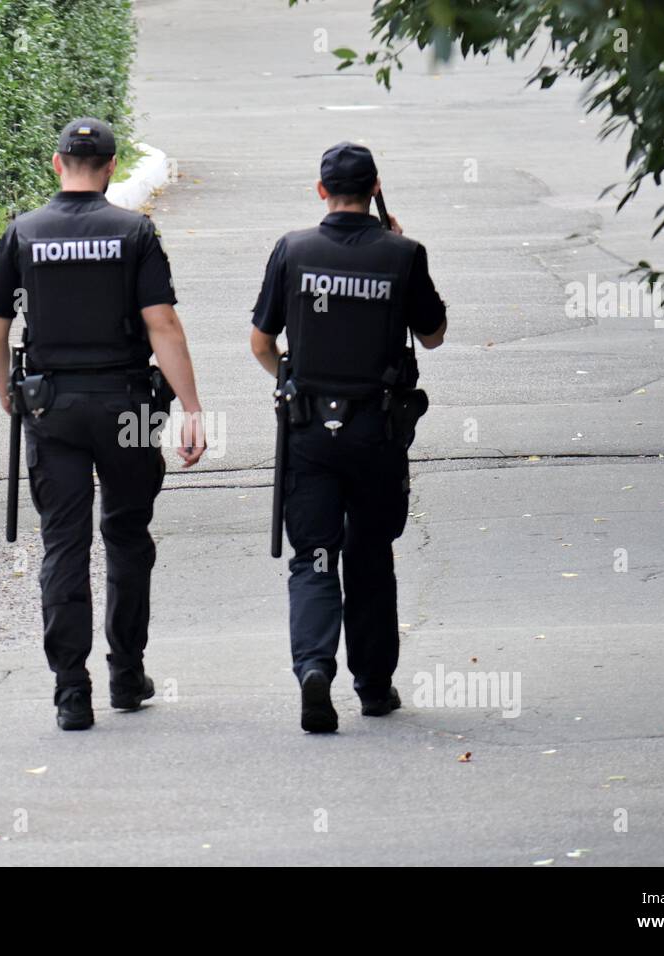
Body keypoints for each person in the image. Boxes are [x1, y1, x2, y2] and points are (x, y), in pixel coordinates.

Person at [0, 117, 206, 731]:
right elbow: (163, 326)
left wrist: (8, 394)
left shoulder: (22, 234)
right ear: (109, 168)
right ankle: (127, 676)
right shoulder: (134, 232)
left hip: (53, 410)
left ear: (57, 164)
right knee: (128, 538)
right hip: (128, 407)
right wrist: (190, 408)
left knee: (64, 544)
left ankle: (71, 692)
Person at [249, 142, 447, 733]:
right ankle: (374, 684)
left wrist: (294, 378)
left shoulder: (292, 250)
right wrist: (399, 248)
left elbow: (261, 344)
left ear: (321, 191)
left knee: (313, 556)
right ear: (375, 188)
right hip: (377, 431)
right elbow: (432, 336)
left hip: (308, 428)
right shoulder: (404, 253)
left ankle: (314, 668)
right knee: (369, 553)